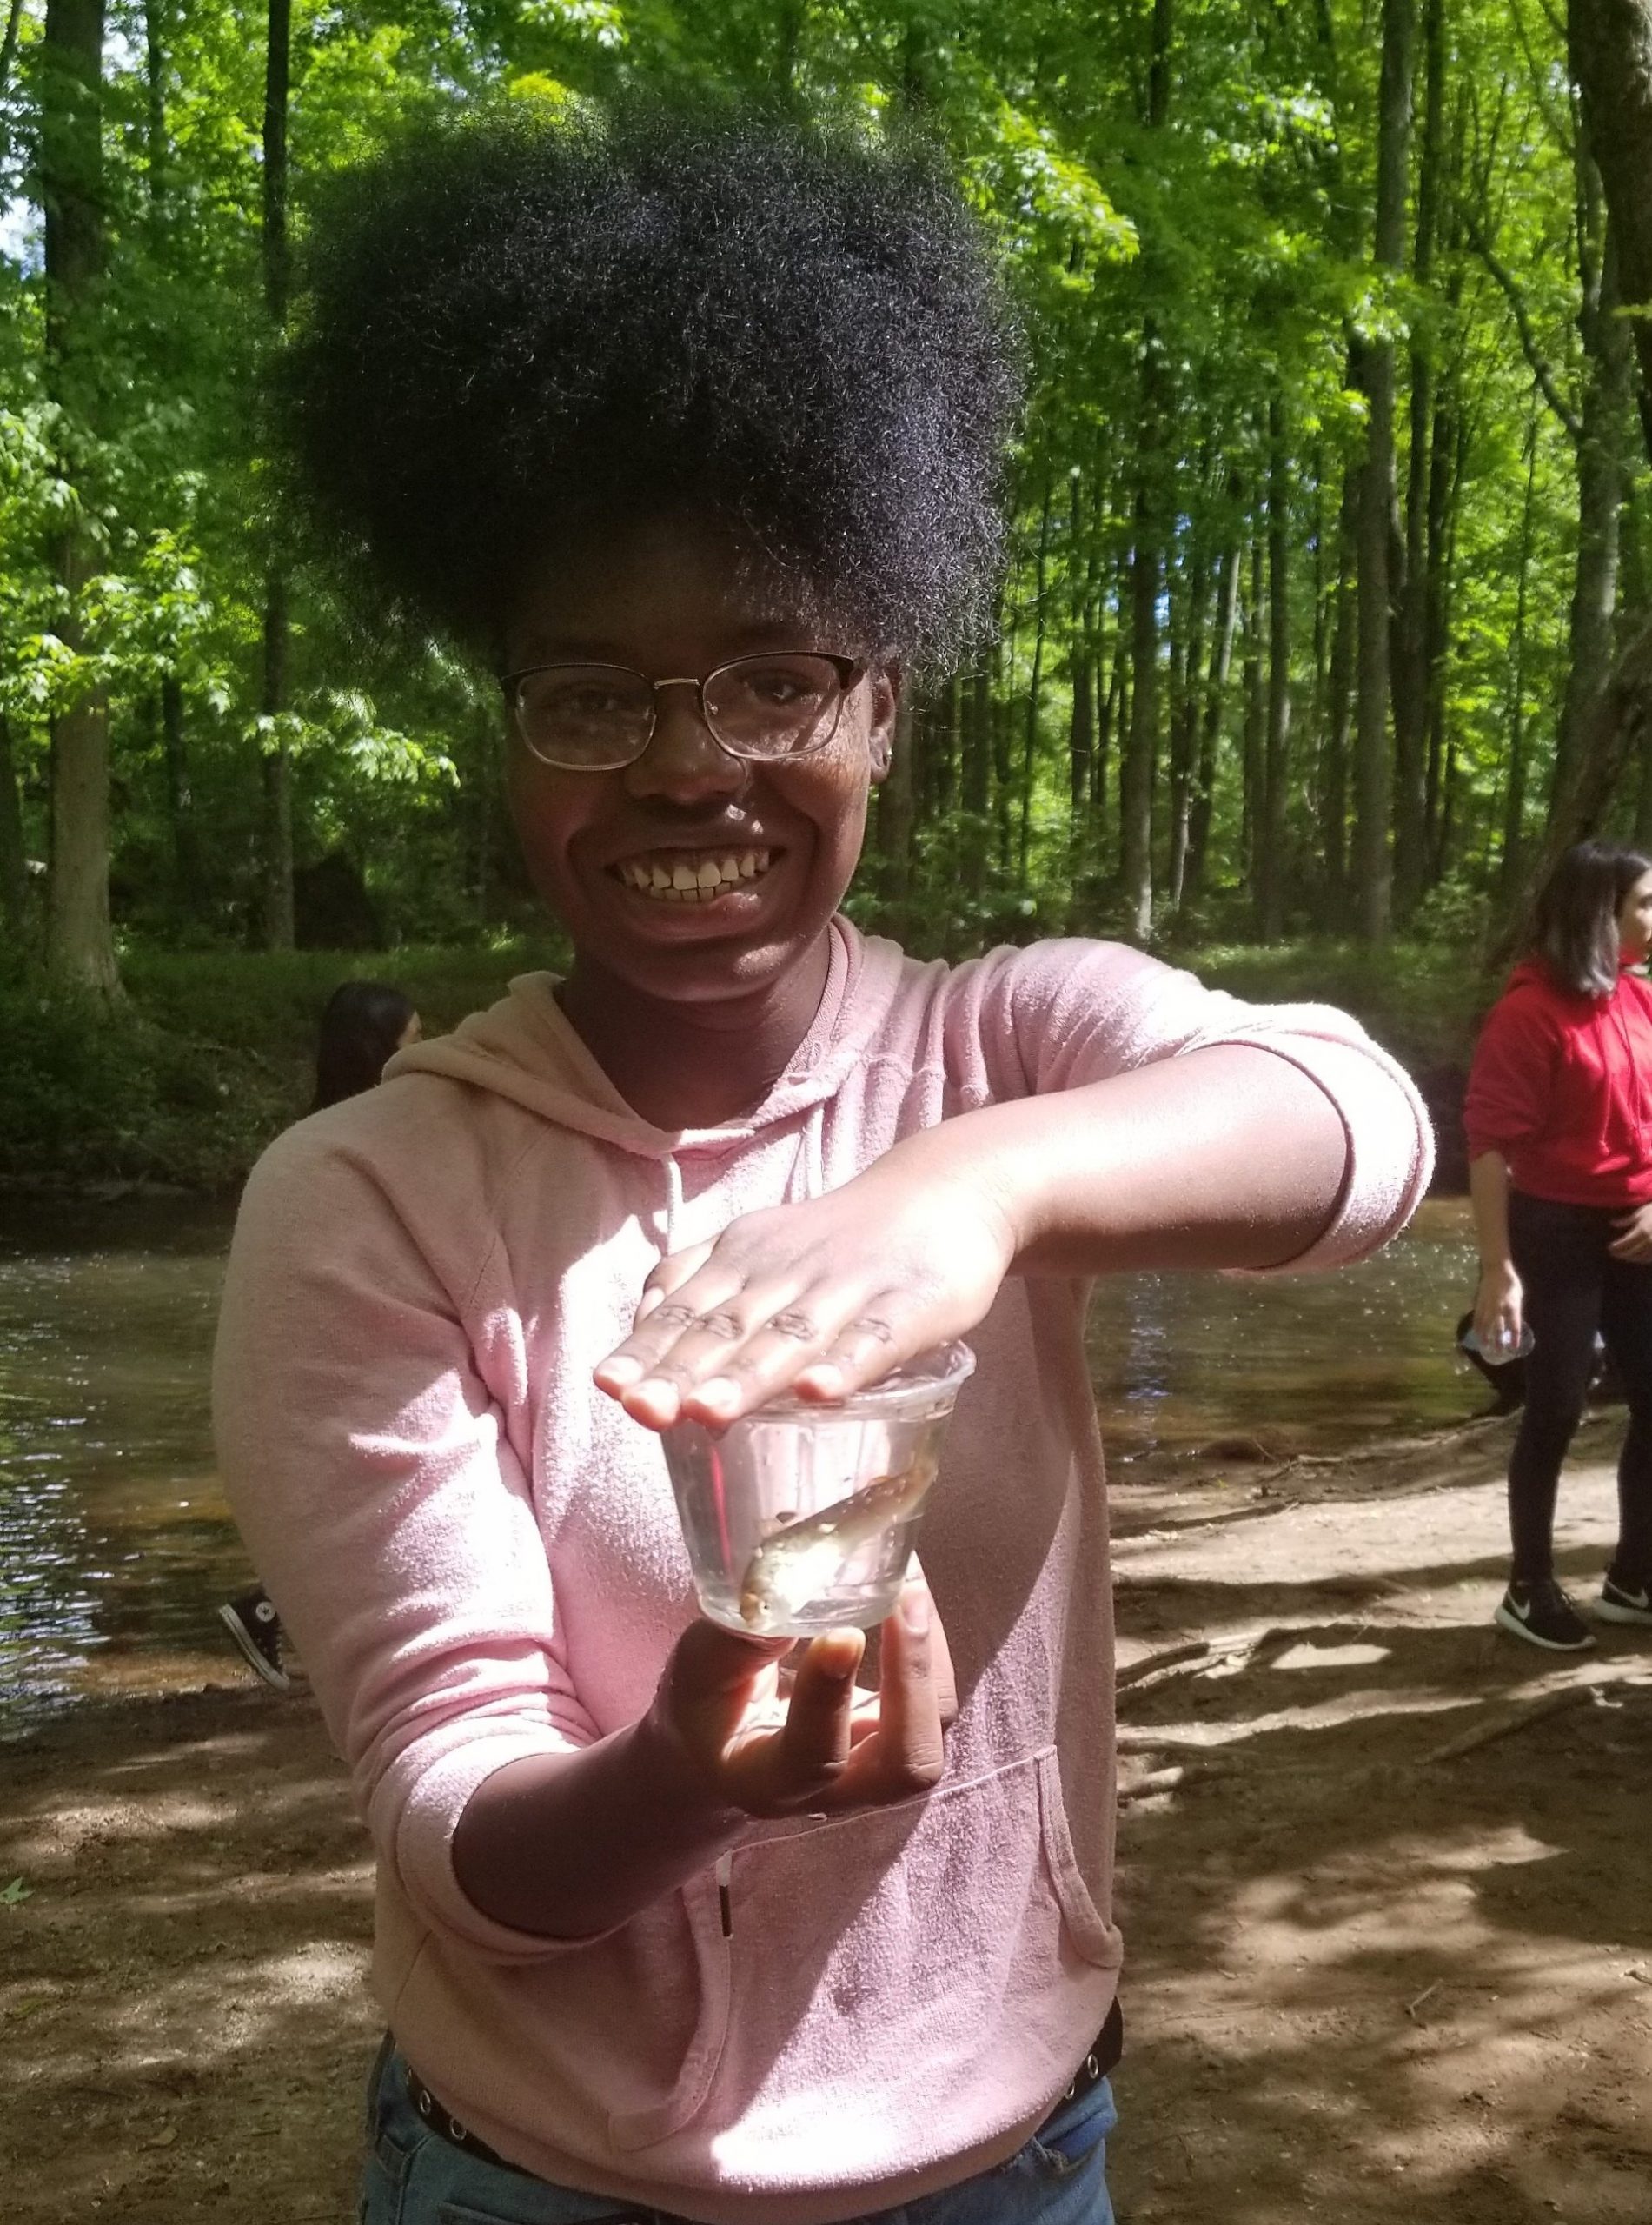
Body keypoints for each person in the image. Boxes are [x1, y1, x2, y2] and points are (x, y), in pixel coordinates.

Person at [212, 104, 1431, 2225]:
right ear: (507, 734)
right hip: (542, 2176)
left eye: (774, 675)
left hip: (1009, 2149)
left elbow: (1355, 1127)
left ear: (882, 711)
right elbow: (450, 1799)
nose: (690, 758)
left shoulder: (1010, 1037)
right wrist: (684, 1778)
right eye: (593, 694)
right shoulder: (371, 1190)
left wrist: (971, 1186)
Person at [1466, 839, 1652, 1651]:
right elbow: (1487, 1147)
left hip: (1640, 1229)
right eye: (1644, 903)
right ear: (1598, 915)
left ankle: (1632, 1579)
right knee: (1557, 1410)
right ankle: (1528, 1589)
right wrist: (1497, 1269)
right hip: (1554, 1233)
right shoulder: (1527, 1012)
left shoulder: (1639, 1001)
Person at [217, 980, 421, 1689]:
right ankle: (267, 1613)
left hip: (320, 1350)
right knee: (367, 1509)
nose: (427, 1051)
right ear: (380, 1049)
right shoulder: (373, 1141)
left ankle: (272, 1613)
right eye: (416, 1038)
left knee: (349, 1508)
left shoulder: (315, 1136)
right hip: (348, 1354)